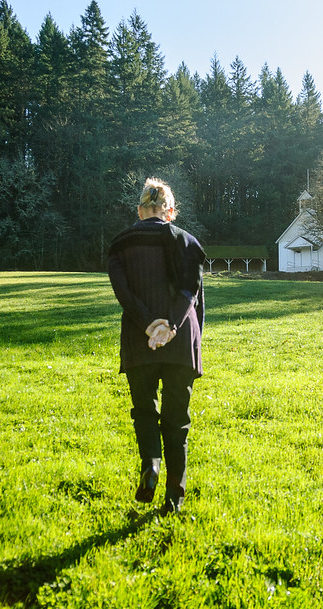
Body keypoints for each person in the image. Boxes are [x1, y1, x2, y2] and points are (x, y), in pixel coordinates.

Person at [108, 178, 205, 515]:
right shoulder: (188, 242)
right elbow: (190, 293)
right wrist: (173, 327)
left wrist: (149, 324)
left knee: (144, 412)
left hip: (138, 339)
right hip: (181, 344)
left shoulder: (120, 244)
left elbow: (123, 293)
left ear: (140, 210)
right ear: (170, 211)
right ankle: (174, 496)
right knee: (177, 420)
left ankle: (150, 465)